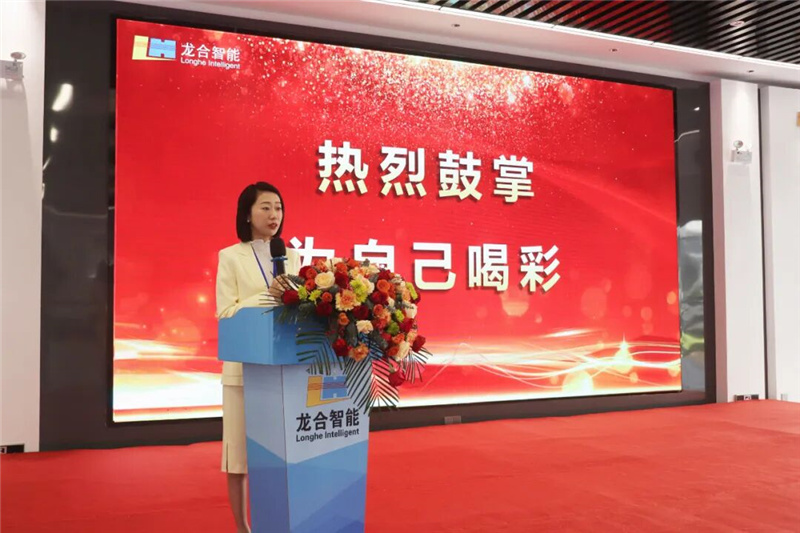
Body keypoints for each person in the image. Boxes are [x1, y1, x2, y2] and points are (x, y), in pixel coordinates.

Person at [215, 181, 300, 533]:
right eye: (265, 207)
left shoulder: (290, 256)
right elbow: (225, 313)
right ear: (247, 214)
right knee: (239, 459)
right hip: (244, 370)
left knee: (280, 456)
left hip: (283, 370)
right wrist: (268, 294)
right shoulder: (230, 257)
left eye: (278, 207)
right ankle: (243, 527)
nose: (273, 214)